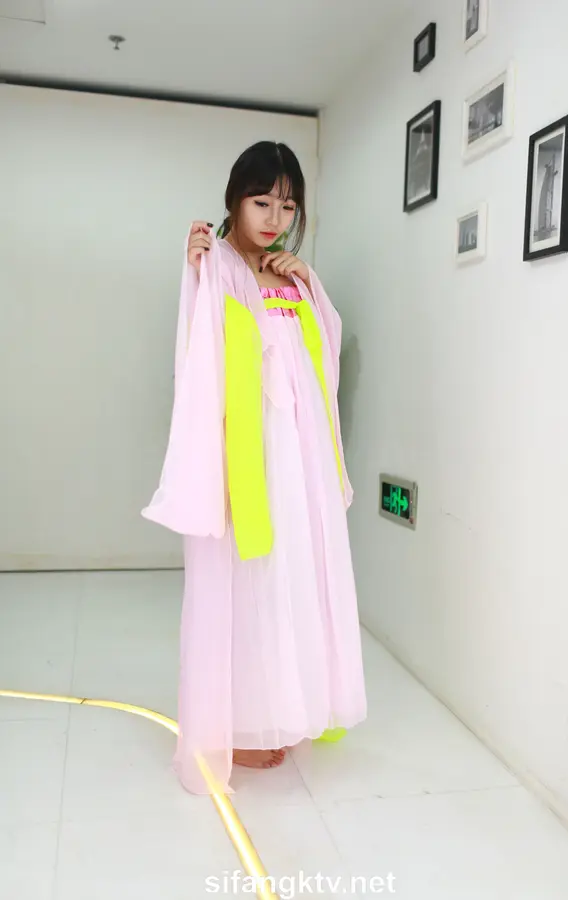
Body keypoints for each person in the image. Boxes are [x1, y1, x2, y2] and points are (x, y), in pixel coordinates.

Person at [142, 141, 367, 795]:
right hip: (249, 454)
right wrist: (197, 269)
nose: (274, 218)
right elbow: (199, 355)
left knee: (295, 575)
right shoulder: (217, 266)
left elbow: (320, 359)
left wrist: (308, 284)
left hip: (302, 456)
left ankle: (285, 710)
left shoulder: (292, 277)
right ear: (234, 201)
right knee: (248, 580)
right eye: (261, 202)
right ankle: (239, 725)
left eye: (288, 206)